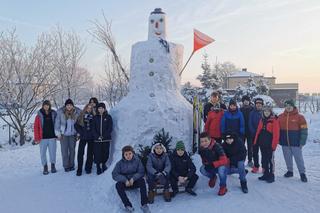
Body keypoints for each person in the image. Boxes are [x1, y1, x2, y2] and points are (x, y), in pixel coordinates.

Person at [112, 146, 150, 213]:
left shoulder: (137, 161)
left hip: (134, 182)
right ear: (123, 155)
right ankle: (128, 205)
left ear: (133, 153)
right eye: (126, 154)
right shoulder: (119, 163)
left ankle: (144, 204)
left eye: (130, 153)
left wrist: (133, 179)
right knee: (118, 185)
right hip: (125, 183)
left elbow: (141, 171)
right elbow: (114, 174)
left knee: (142, 181)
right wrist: (125, 180)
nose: (128, 156)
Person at [278, 99, 308, 182]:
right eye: (287, 106)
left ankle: (302, 173)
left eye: (290, 106)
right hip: (284, 142)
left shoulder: (300, 117)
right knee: (287, 158)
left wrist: (302, 141)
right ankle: (290, 171)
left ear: (293, 106)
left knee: (299, 159)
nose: (288, 107)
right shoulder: (280, 117)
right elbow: (277, 129)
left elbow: (304, 130)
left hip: (296, 143)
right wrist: (278, 139)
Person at [253, 106, 279, 183]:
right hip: (262, 143)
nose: (266, 113)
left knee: (270, 160)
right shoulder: (262, 120)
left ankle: (271, 175)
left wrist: (273, 146)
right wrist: (255, 142)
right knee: (264, 159)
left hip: (269, 144)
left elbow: (276, 134)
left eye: (268, 111)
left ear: (270, 112)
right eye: (265, 111)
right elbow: (258, 131)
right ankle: (266, 174)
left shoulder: (274, 120)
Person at [198, 132, 228, 196]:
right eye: (202, 141)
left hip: (221, 165)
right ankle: (213, 177)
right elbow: (203, 159)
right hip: (211, 165)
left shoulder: (217, 146)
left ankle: (223, 186)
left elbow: (225, 161)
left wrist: (213, 164)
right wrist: (206, 163)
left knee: (221, 170)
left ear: (210, 139)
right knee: (202, 169)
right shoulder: (201, 148)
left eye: (206, 141)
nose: (204, 143)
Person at [55, 99, 80, 172]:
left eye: (70, 105)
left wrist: (78, 133)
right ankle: (66, 166)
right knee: (64, 151)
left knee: (72, 150)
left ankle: (72, 165)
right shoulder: (61, 113)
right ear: (65, 106)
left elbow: (79, 123)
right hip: (64, 135)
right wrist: (58, 134)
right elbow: (57, 124)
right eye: (67, 105)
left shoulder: (76, 113)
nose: (69, 107)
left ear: (73, 106)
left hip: (73, 135)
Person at [34, 100, 57, 175]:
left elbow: (57, 124)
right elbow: (36, 127)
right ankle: (45, 166)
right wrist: (37, 138)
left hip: (52, 137)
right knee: (43, 153)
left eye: (47, 105)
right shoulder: (39, 115)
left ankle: (53, 165)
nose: (46, 106)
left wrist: (58, 134)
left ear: (49, 106)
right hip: (43, 138)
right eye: (45, 105)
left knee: (52, 152)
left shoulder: (53, 114)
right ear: (43, 106)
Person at [74, 103, 95, 176]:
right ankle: (79, 168)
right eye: (88, 108)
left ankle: (88, 167)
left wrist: (93, 133)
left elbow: (96, 126)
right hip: (83, 137)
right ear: (85, 108)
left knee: (90, 154)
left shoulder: (94, 116)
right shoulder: (81, 116)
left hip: (91, 138)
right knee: (80, 153)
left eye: (90, 108)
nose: (89, 109)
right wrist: (81, 132)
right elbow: (76, 125)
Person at [92, 102, 113, 175]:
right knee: (97, 153)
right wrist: (97, 136)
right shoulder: (95, 118)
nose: (101, 109)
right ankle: (98, 166)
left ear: (104, 109)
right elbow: (93, 128)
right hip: (97, 139)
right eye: (99, 108)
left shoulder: (108, 117)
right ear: (97, 109)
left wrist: (103, 136)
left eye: (102, 108)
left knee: (105, 152)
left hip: (106, 138)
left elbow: (110, 128)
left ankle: (104, 164)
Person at [249, 98, 264, 172]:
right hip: (254, 135)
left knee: (264, 151)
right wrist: (254, 132)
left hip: (263, 135)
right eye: (257, 103)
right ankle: (256, 166)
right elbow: (250, 123)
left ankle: (264, 166)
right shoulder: (252, 113)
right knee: (255, 151)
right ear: (255, 104)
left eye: (260, 103)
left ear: (262, 104)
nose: (258, 104)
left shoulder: (264, 112)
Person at [240, 95, 254, 167]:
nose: (246, 101)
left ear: (249, 101)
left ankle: (250, 160)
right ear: (243, 101)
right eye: (244, 100)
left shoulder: (252, 109)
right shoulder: (240, 109)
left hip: (250, 131)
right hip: (242, 131)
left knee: (250, 147)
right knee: (242, 147)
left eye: (247, 100)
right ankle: (242, 160)